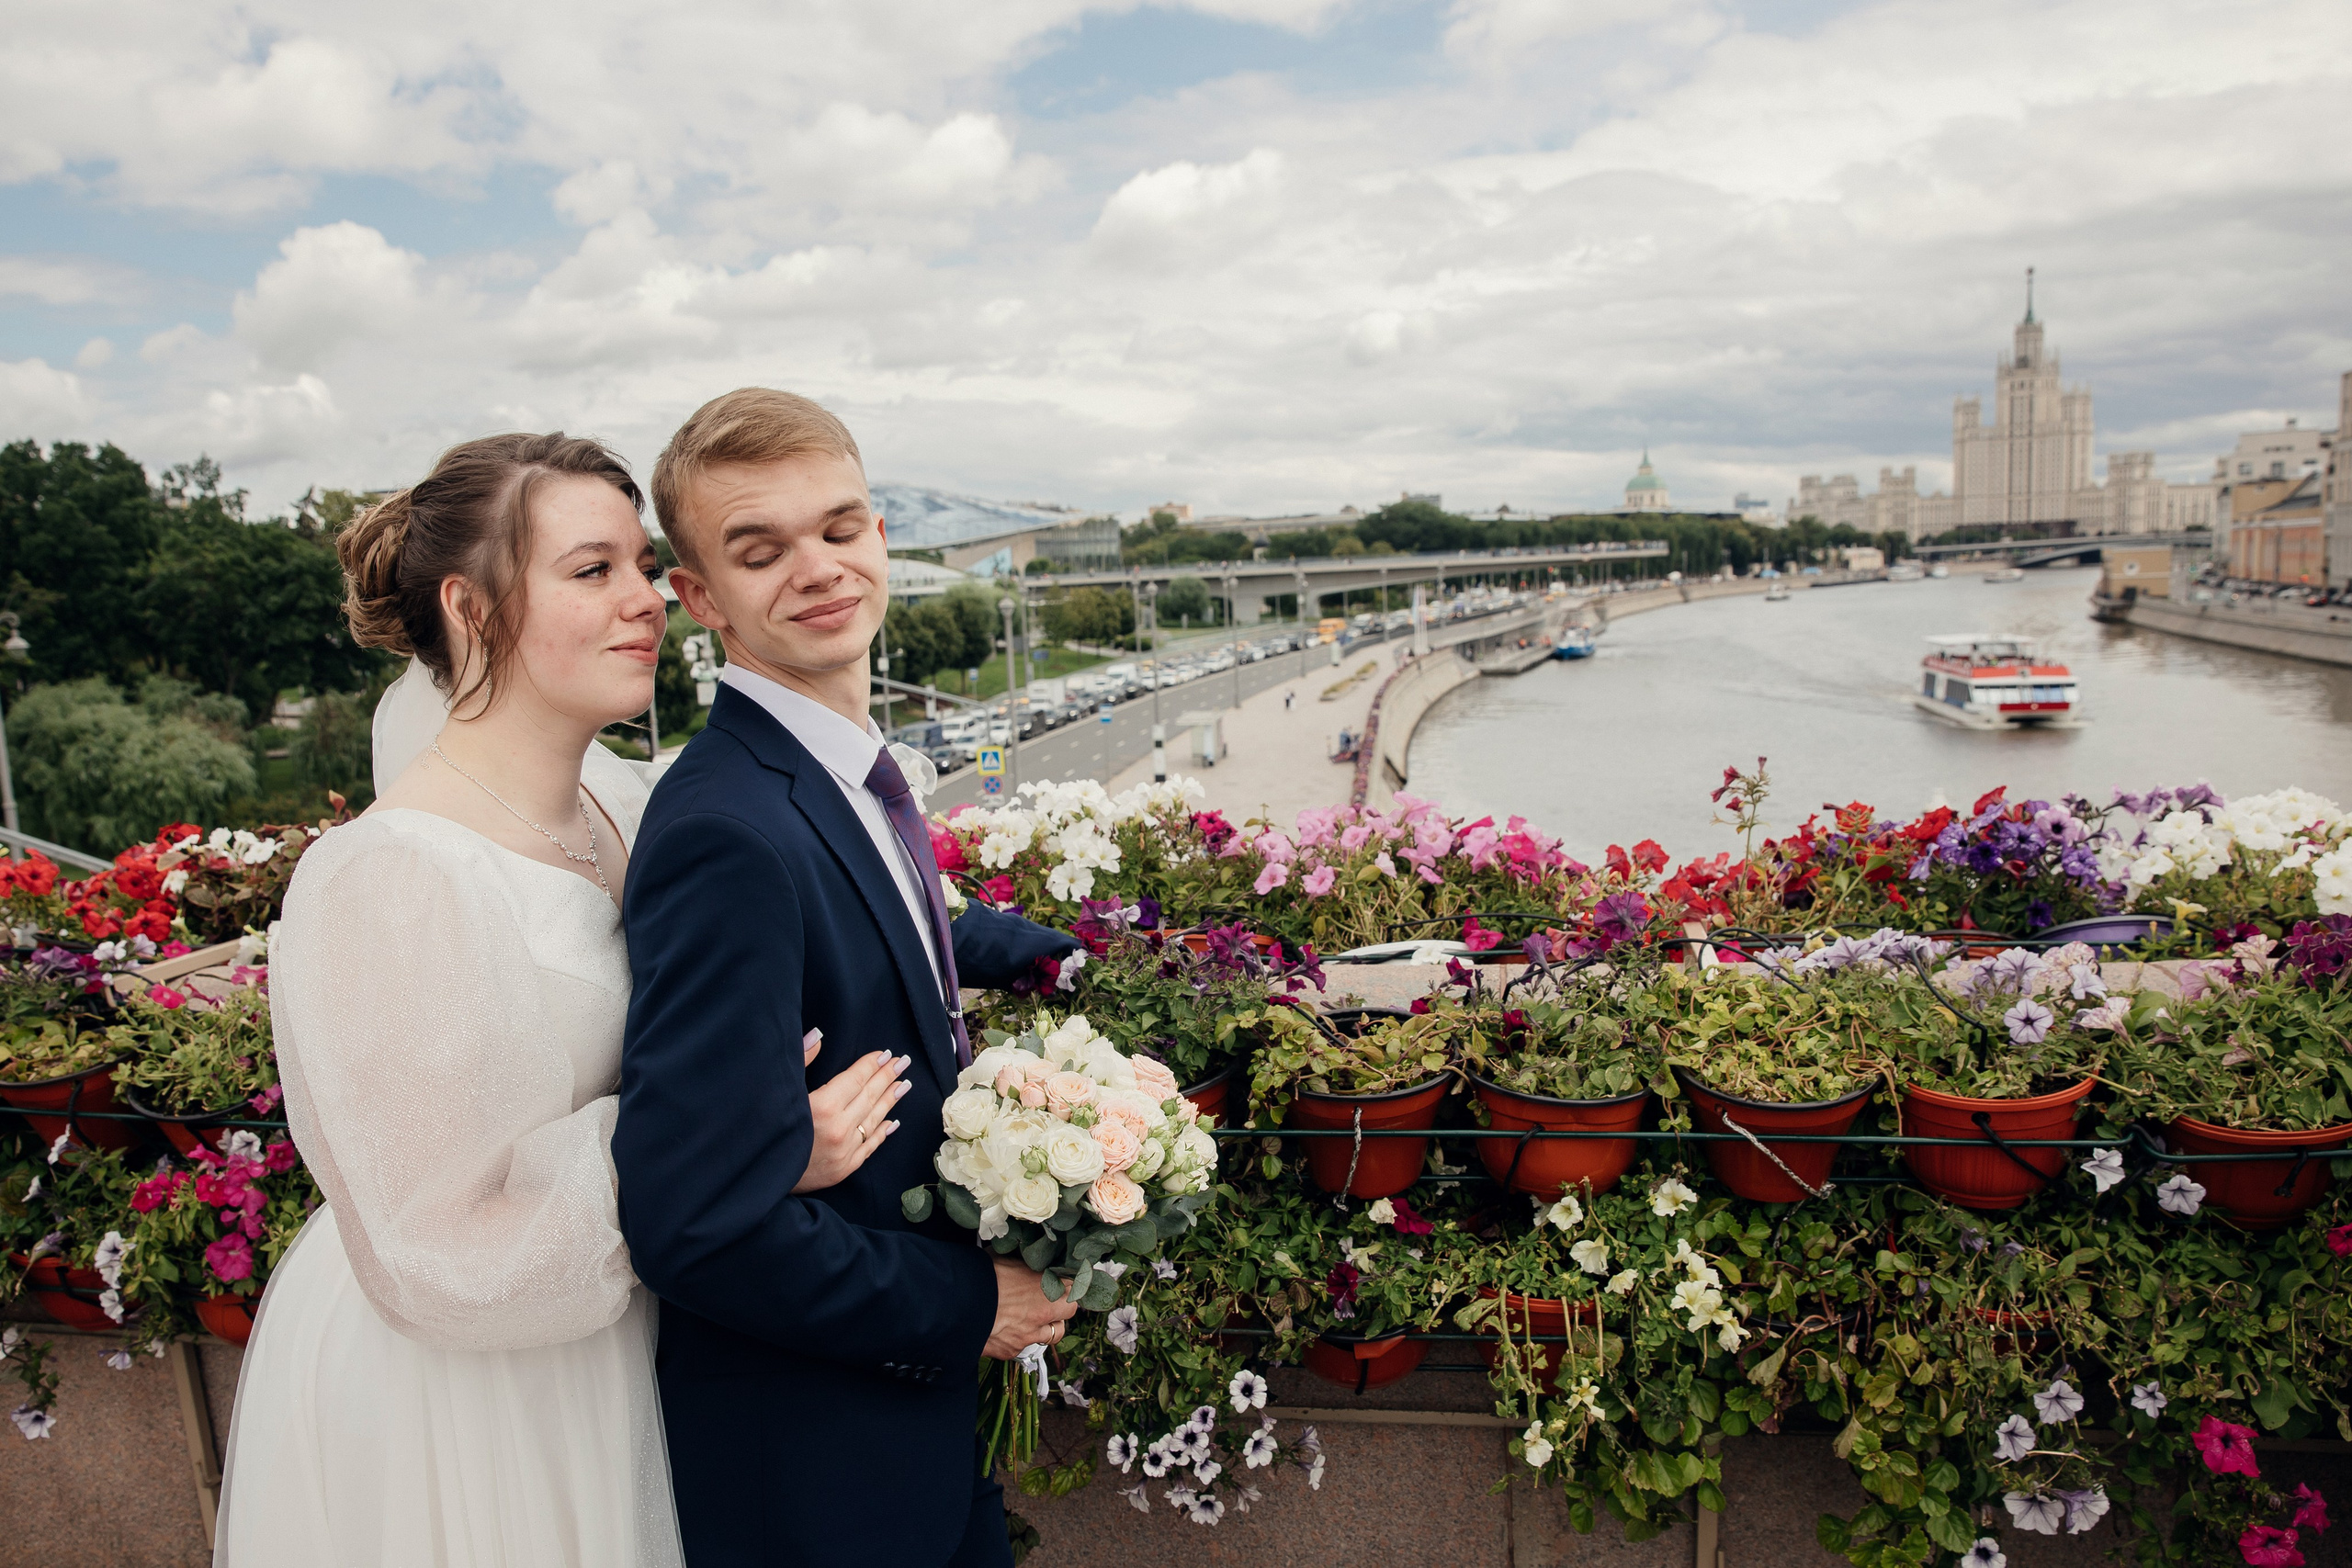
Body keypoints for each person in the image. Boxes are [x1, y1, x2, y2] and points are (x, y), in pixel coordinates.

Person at [214, 433, 908, 1566]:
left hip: (634, 1337)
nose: (646, 600)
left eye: (642, 565)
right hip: (473, 1395)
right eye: (593, 572)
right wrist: (753, 1141)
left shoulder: (624, 805)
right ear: (472, 608)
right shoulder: (390, 877)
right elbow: (436, 1246)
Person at [613, 389, 1080, 1568]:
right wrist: (969, 1306)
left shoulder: (833, 776)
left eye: (840, 529)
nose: (818, 571)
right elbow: (697, 1229)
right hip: (818, 1467)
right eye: (759, 551)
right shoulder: (726, 831)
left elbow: (888, 931)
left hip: (909, 1437)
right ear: (701, 599)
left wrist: (1050, 949)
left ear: (879, 536)